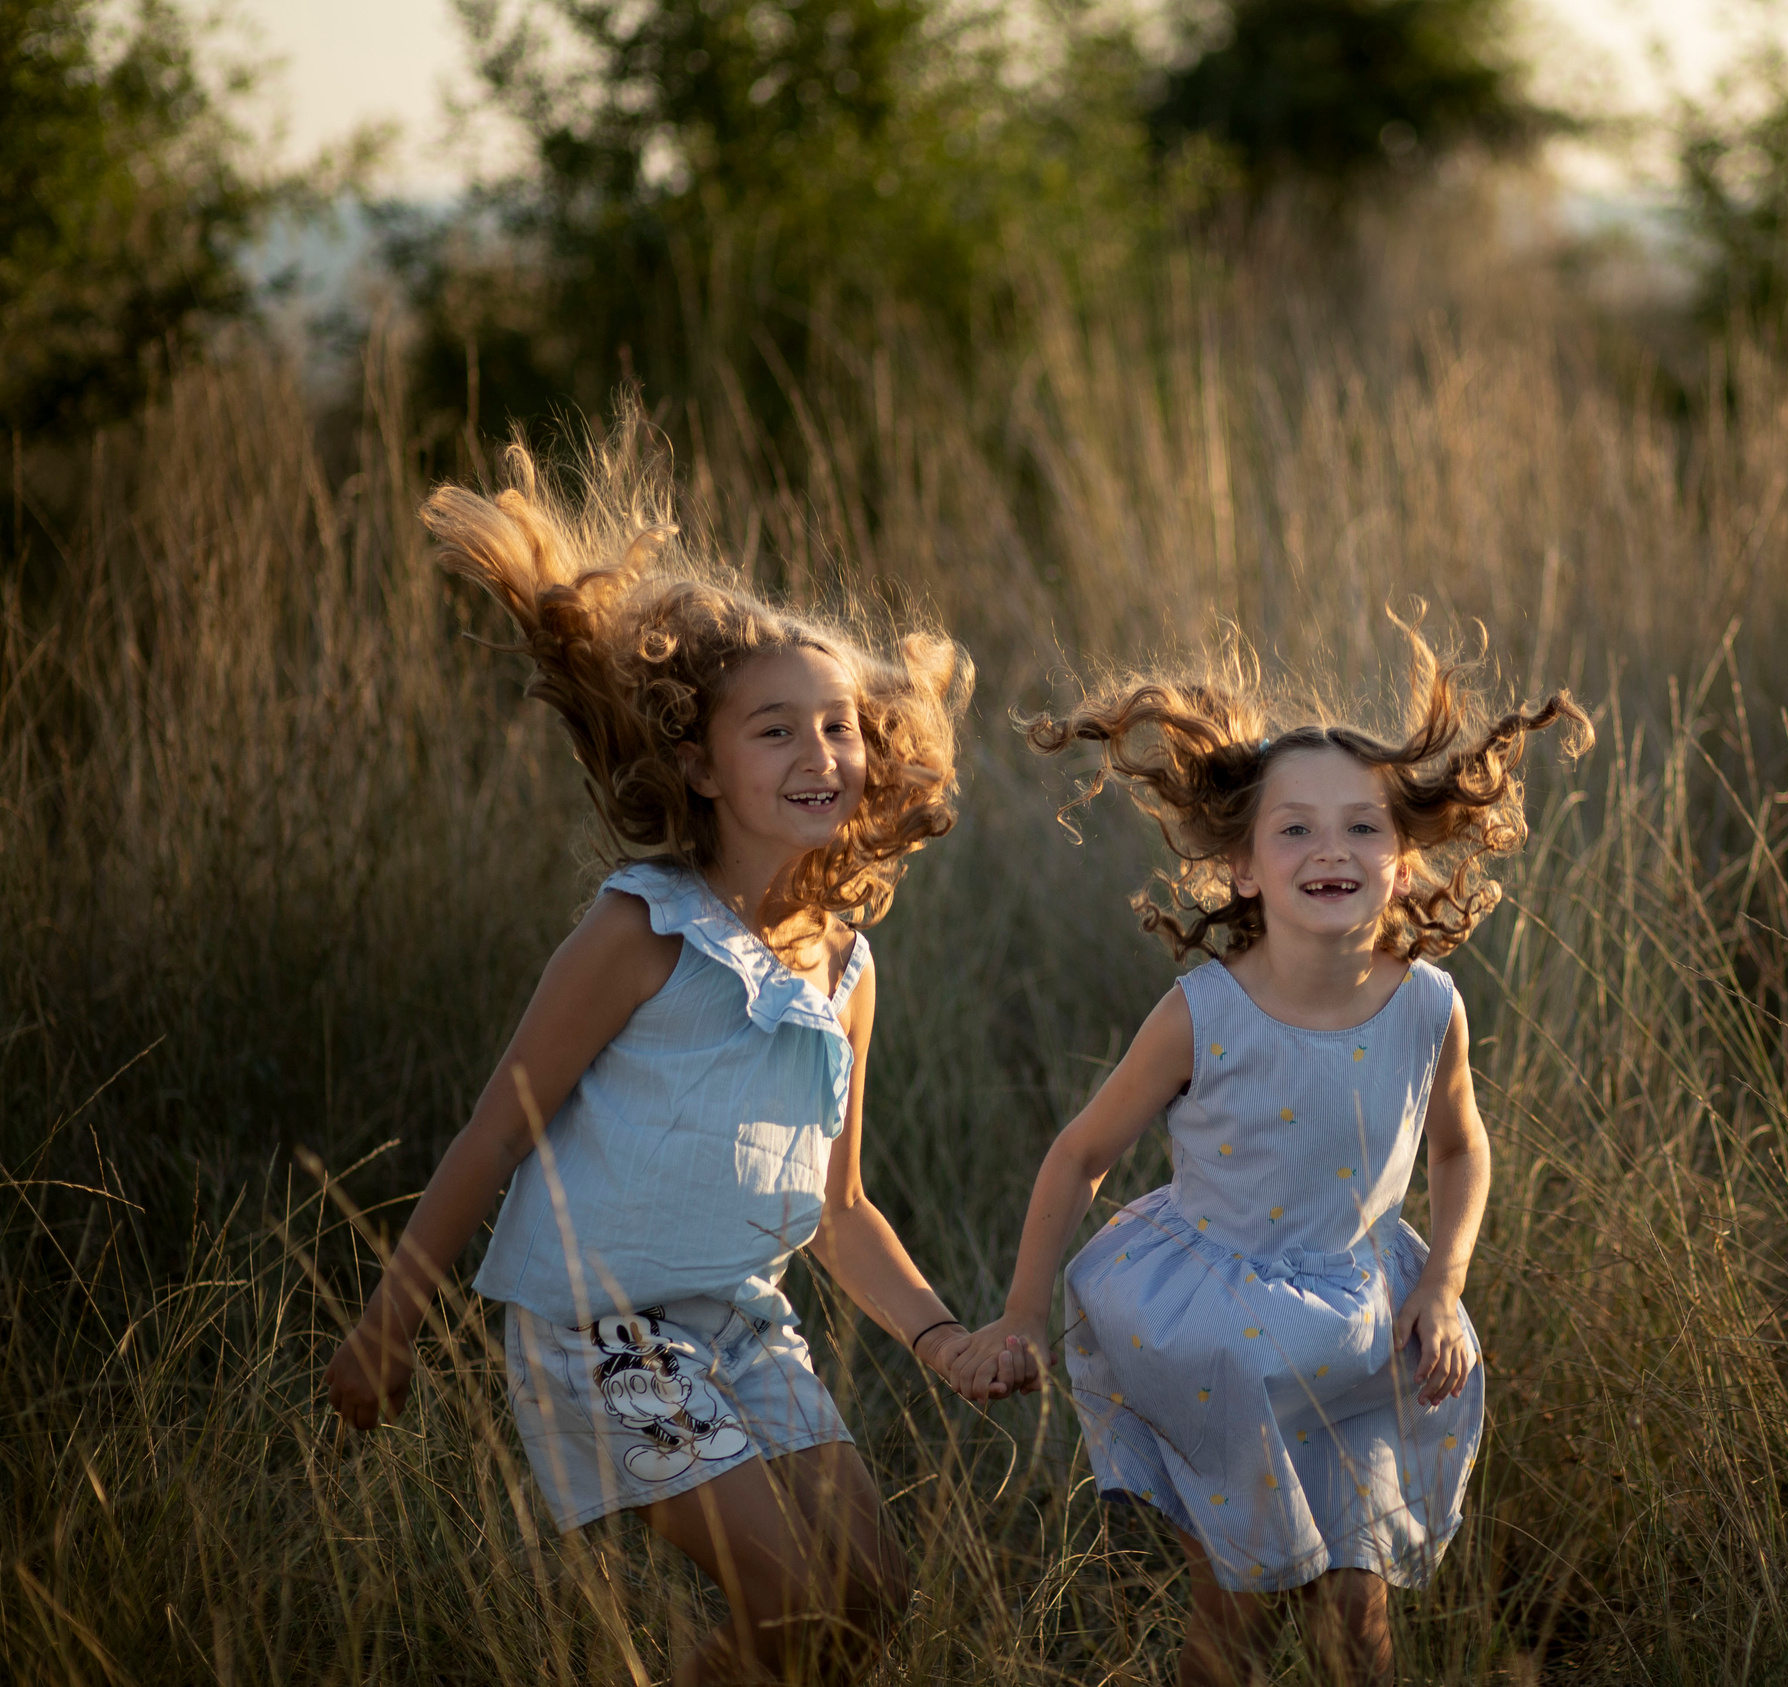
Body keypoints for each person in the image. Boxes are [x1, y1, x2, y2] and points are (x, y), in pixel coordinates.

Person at [323, 444, 986, 1684]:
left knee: (867, 1597)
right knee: (788, 1596)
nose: (818, 755)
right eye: (774, 731)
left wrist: (939, 1336)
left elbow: (840, 1208)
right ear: (699, 765)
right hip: (605, 1335)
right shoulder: (644, 929)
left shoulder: (846, 969)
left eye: (838, 728)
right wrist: (388, 1323)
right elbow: (496, 1129)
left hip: (744, 1324)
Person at [958, 632, 1589, 1686]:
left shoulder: (1428, 1007)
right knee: (1238, 1612)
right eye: (1295, 827)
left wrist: (1442, 1281)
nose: (1329, 848)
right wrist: (1023, 1313)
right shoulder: (1204, 1014)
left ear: (1401, 860)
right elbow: (1080, 1154)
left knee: (1356, 1621)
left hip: (1364, 1328)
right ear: (1244, 867)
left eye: (1361, 826)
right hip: (1223, 1339)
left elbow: (1459, 1146)